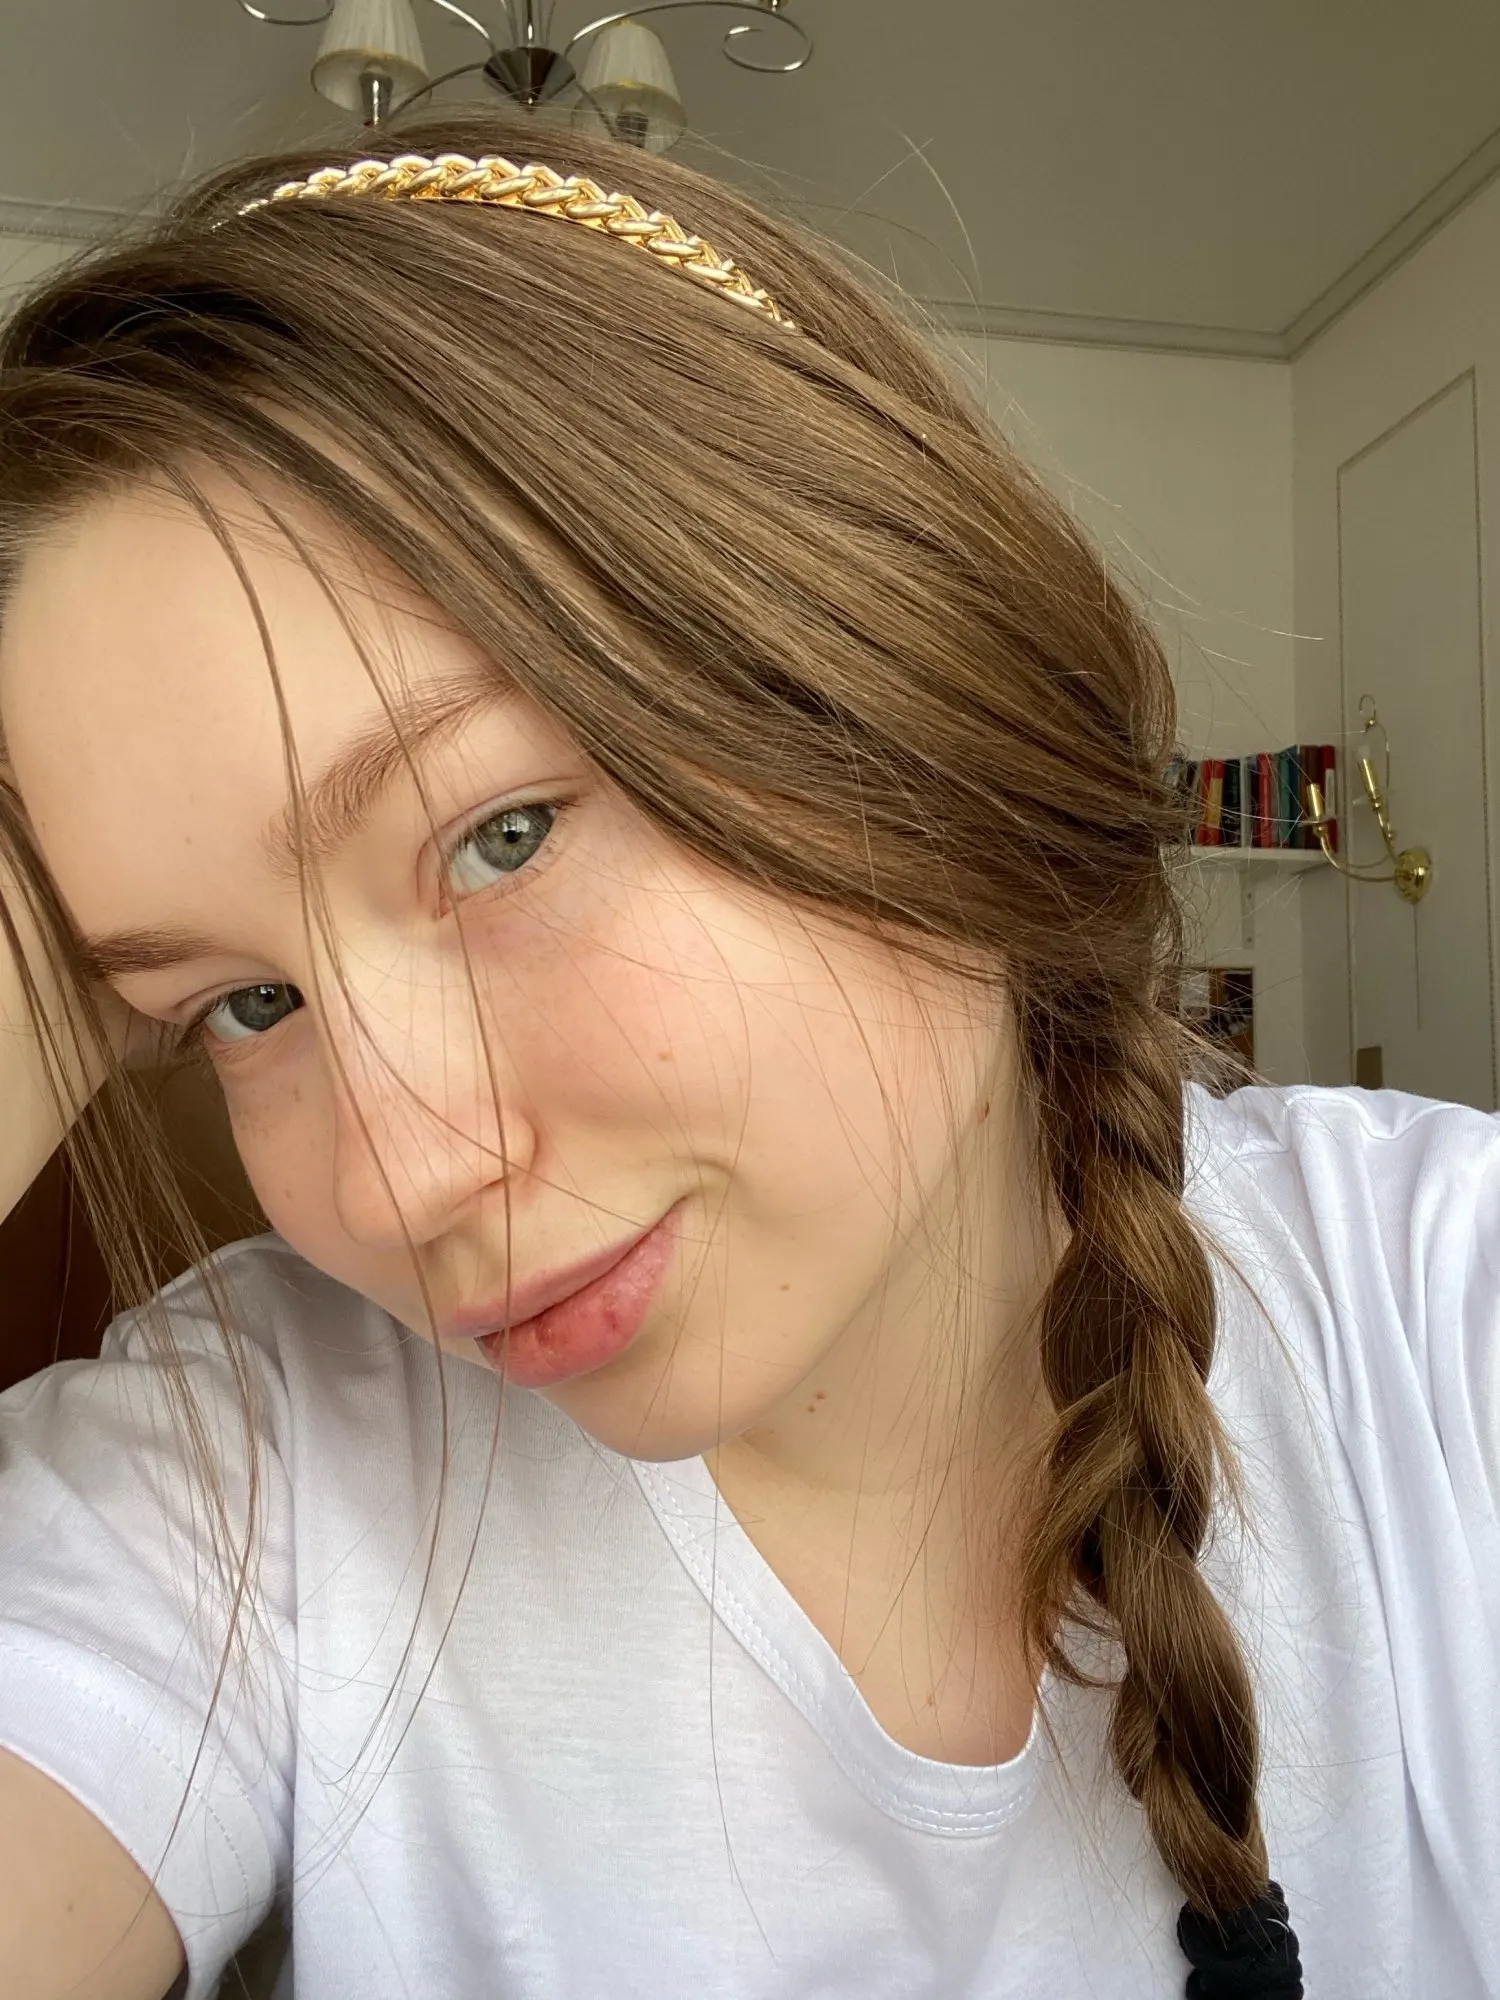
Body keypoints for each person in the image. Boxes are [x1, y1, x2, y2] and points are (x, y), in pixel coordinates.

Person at [0, 112, 1493, 2000]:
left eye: (503, 836)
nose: (398, 1180)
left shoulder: (1435, 1317)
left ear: (896, 667)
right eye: (240, 1003)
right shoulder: (247, 1470)